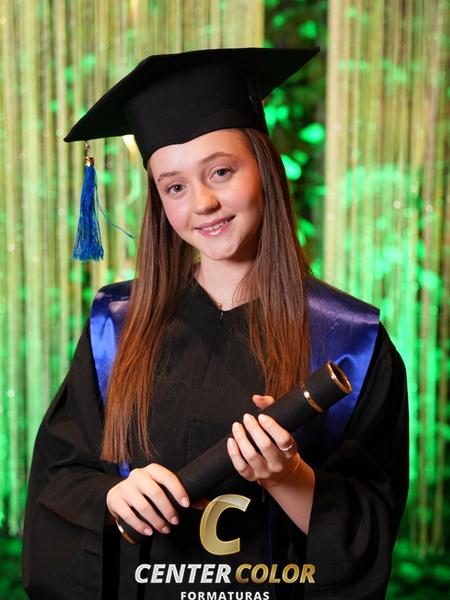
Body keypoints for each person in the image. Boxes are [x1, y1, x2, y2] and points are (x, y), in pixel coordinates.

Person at [21, 48, 409, 600]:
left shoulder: (350, 340)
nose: (202, 203)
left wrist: (287, 477)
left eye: (221, 171)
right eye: (174, 186)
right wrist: (112, 498)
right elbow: (60, 478)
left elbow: (369, 530)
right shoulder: (118, 328)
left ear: (265, 169)